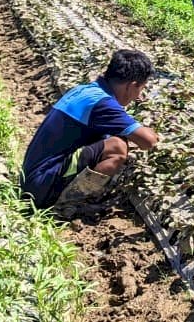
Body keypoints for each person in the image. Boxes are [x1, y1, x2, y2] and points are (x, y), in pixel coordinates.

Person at [21, 49, 160, 210]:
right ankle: (65, 206)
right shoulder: (103, 104)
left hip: (32, 178)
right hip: (41, 187)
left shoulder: (86, 91)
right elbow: (148, 142)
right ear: (132, 85)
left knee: (112, 139)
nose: (138, 97)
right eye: (141, 89)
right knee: (117, 147)